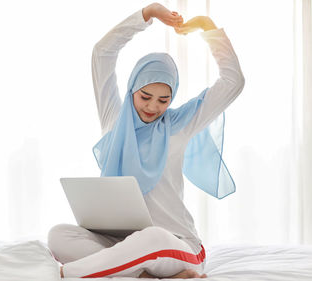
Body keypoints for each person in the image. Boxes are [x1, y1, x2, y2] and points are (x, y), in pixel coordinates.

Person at [48, 2, 244, 279]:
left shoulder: (181, 124)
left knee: (152, 238)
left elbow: (233, 81)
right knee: (59, 235)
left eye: (164, 100)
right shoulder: (115, 119)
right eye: (145, 97)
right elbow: (102, 53)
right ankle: (140, 275)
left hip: (176, 245)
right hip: (120, 242)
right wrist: (147, 14)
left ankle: (63, 274)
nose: (153, 107)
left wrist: (209, 30)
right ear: (132, 91)